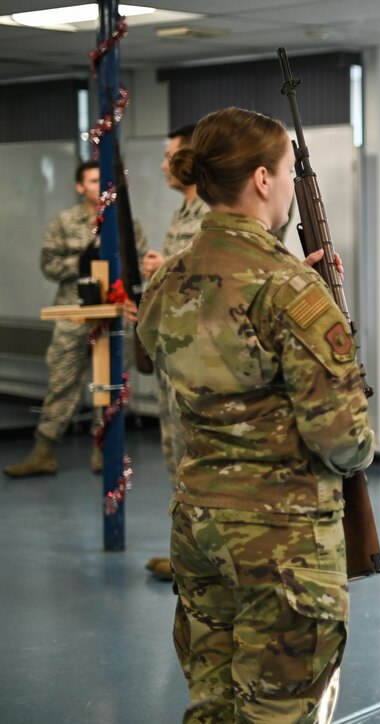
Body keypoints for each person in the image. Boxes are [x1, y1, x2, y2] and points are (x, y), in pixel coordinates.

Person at [137, 106, 374, 721]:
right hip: (283, 542)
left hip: (199, 528)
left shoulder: (169, 281)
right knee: (278, 710)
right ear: (264, 180)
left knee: (211, 701)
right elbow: (342, 439)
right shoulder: (292, 289)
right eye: (288, 170)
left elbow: (150, 351)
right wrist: (306, 297)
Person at [4, 161, 148, 478]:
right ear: (80, 186)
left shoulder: (124, 221)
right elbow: (49, 265)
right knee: (61, 383)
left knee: (110, 385)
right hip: (73, 314)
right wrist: (88, 260)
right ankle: (43, 452)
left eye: (104, 180)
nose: (100, 186)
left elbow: (136, 266)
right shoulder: (65, 222)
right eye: (93, 180)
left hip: (113, 316)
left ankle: (105, 451)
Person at [138, 125, 210, 582]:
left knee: (194, 458)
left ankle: (202, 560)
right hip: (171, 351)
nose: (164, 164)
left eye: (171, 156)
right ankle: (186, 554)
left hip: (195, 356)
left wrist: (166, 268)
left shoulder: (209, 213)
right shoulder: (182, 210)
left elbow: (208, 279)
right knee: (174, 457)